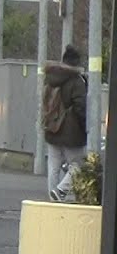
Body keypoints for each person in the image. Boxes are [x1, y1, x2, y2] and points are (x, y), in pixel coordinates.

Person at [42, 44, 88, 201]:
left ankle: (52, 196)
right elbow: (81, 107)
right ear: (76, 62)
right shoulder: (77, 81)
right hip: (71, 130)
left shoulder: (50, 77)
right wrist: (86, 127)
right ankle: (61, 191)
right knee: (78, 164)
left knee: (53, 164)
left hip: (52, 127)